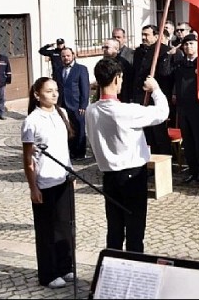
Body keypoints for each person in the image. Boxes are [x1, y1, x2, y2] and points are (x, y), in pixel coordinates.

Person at [85, 58, 169, 253]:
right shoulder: (124, 111)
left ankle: (113, 269)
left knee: (114, 229)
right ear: (116, 79)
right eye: (121, 79)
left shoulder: (91, 110)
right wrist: (155, 89)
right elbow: (162, 112)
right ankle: (133, 269)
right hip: (131, 176)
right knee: (134, 230)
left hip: (109, 176)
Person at [21, 77, 75, 289]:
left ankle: (65, 265)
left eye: (56, 90)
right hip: (44, 182)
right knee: (47, 230)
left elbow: (63, 149)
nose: (54, 94)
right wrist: (33, 186)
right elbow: (27, 160)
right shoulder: (32, 121)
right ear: (37, 94)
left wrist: (70, 173)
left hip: (63, 178)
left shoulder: (62, 114)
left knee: (65, 226)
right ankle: (48, 272)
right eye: (49, 91)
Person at [165, 34, 199, 184]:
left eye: (191, 44)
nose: (188, 47)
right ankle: (193, 171)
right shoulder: (179, 63)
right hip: (183, 108)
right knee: (188, 142)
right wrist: (169, 55)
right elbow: (167, 75)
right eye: (185, 44)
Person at [131, 25, 173, 155]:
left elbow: (166, 74)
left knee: (159, 132)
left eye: (147, 35)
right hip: (141, 97)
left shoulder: (164, 51)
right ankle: (150, 161)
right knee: (146, 133)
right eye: (142, 34)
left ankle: (164, 162)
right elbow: (136, 73)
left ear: (156, 36)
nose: (143, 37)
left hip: (156, 98)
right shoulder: (139, 52)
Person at [56, 48, 90, 161]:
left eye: (68, 56)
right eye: (63, 56)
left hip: (77, 105)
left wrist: (83, 105)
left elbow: (85, 88)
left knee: (79, 129)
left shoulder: (81, 69)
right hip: (62, 105)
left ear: (73, 55)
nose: (66, 58)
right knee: (67, 129)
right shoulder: (58, 70)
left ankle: (80, 153)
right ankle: (70, 152)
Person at [101, 38, 133, 103]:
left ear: (116, 49)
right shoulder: (102, 63)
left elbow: (128, 83)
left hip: (120, 98)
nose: (104, 50)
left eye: (107, 47)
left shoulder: (123, 63)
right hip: (104, 98)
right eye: (103, 47)